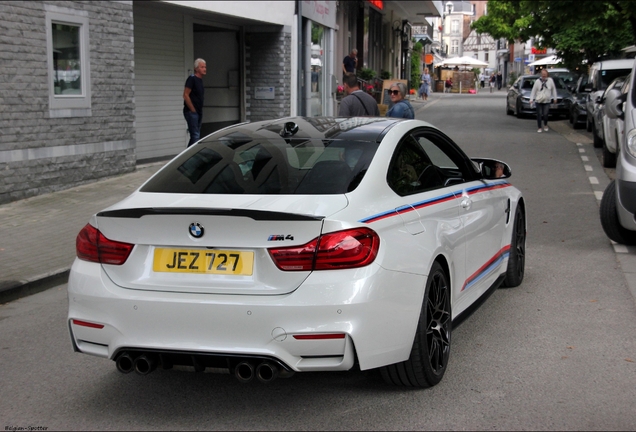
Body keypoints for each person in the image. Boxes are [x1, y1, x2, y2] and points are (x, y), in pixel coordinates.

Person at [183, 58, 207, 147]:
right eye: (202, 67)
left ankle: (188, 155)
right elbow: (185, 95)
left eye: (205, 67)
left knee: (196, 136)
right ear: (196, 68)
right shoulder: (192, 79)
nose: (204, 69)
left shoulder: (200, 81)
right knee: (195, 136)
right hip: (191, 112)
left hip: (199, 111)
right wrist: (192, 109)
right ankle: (188, 157)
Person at [529, 69, 557, 133]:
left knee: (545, 114)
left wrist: (555, 98)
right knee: (539, 114)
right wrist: (531, 99)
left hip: (547, 100)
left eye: (545, 74)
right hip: (539, 100)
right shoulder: (537, 81)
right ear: (541, 74)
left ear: (547, 74)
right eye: (543, 74)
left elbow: (553, 89)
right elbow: (533, 91)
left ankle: (545, 124)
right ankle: (539, 127)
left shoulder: (550, 81)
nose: (544, 75)